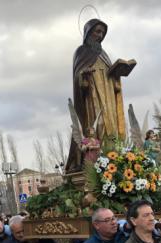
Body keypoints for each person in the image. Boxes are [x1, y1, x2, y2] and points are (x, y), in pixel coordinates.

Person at [66, 18, 132, 172]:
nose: (100, 35)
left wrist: (117, 74)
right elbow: (77, 76)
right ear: (89, 32)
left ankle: (113, 155)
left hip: (108, 95)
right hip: (93, 96)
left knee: (111, 125)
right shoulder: (81, 51)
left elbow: (112, 77)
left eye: (102, 32)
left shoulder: (104, 54)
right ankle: (98, 158)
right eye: (97, 31)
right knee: (99, 123)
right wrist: (84, 74)